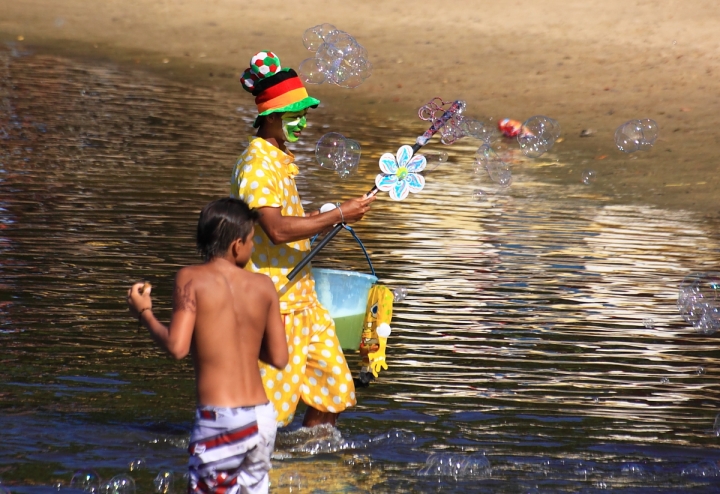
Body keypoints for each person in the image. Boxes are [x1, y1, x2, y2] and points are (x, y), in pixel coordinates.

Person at [231, 51, 376, 428]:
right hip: (273, 306)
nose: (302, 123)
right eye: (295, 115)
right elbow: (276, 230)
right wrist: (339, 214)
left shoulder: (279, 156)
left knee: (335, 393)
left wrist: (317, 220)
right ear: (271, 116)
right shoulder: (257, 164)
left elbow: (284, 222)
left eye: (306, 114)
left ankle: (312, 465)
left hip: (303, 301)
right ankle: (263, 474)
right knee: (267, 417)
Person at [126, 197, 288, 494]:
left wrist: (144, 313)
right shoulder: (264, 285)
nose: (252, 248)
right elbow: (279, 357)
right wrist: (245, 339)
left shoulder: (191, 278)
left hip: (222, 420)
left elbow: (177, 347)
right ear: (237, 245)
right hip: (263, 419)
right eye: (252, 241)